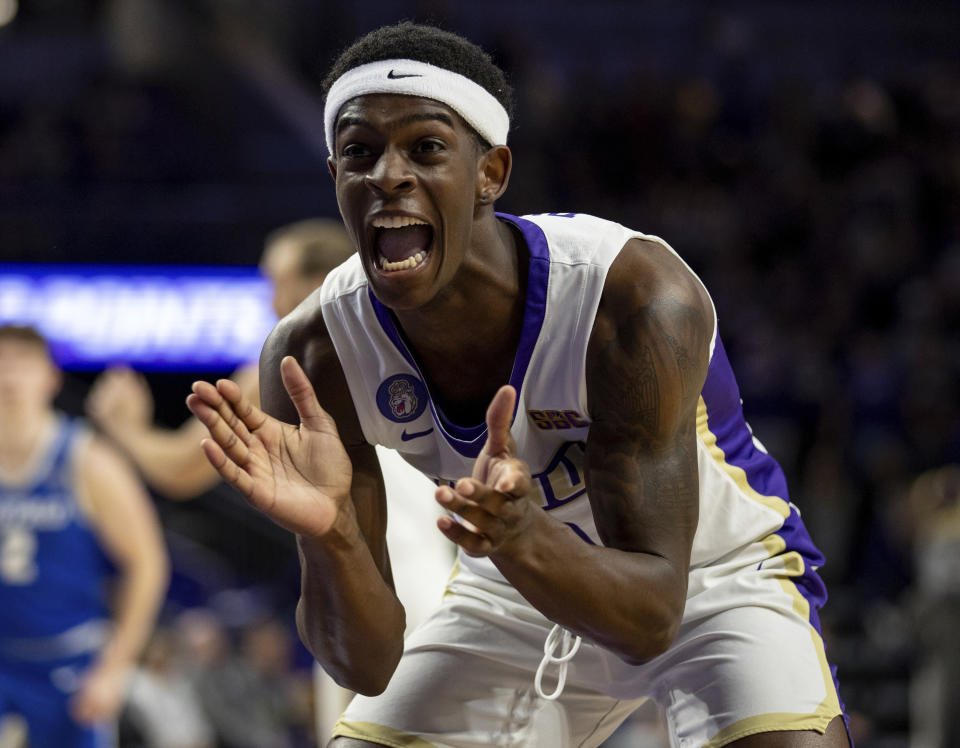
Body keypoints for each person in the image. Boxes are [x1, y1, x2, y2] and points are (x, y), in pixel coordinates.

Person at [186, 22, 851, 748]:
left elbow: (652, 616)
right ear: (335, 178)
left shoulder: (630, 296)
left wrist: (527, 535)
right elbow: (367, 665)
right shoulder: (311, 356)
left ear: (491, 173)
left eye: (427, 148)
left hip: (708, 578)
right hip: (511, 588)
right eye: (359, 153)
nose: (388, 174)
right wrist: (333, 535)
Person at [86, 218, 453, 738]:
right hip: (436, 580)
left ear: (315, 281)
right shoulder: (406, 339)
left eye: (273, 279)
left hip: (370, 585)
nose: (268, 297)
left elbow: (183, 469)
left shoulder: (296, 349)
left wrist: (121, 426)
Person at [0, 324, 169, 747]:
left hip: (69, 664)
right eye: (1, 365)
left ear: (51, 379)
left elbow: (148, 565)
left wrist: (113, 670)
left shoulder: (88, 460)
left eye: (22, 364)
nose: (9, 377)